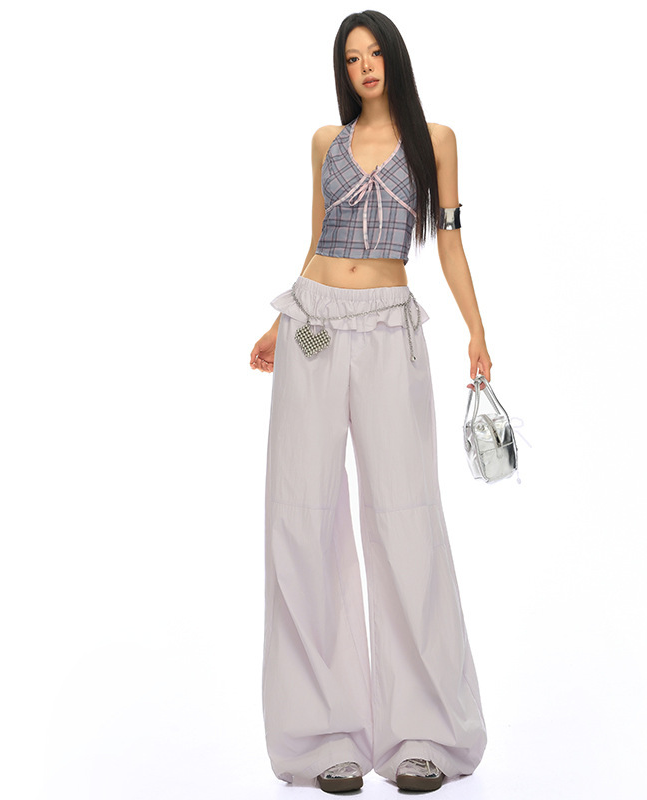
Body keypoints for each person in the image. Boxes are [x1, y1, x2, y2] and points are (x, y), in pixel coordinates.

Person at [249, 10, 492, 794]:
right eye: (352, 57)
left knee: (405, 515)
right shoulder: (326, 141)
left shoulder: (436, 141)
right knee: (304, 514)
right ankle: (325, 739)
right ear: (343, 70)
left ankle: (425, 735)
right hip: (315, 325)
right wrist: (280, 323)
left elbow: (449, 240)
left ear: (394, 58)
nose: (365, 66)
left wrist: (477, 331)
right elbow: (317, 241)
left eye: (375, 52)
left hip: (391, 326)